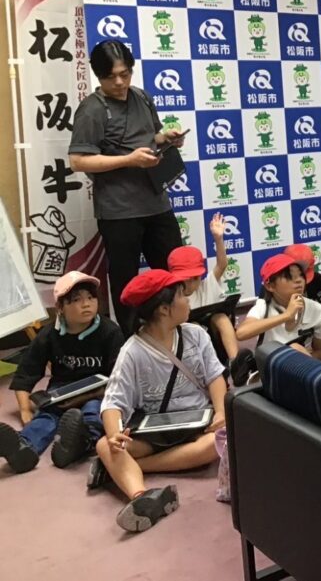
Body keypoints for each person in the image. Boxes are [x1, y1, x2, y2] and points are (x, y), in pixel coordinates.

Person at [69, 40, 187, 336]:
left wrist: (166, 138)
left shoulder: (142, 97)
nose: (120, 82)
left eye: (125, 74)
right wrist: (128, 160)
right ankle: (131, 341)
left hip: (156, 201)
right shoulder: (91, 110)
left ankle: (175, 332)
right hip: (119, 211)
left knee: (173, 271)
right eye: (111, 77)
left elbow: (151, 137)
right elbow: (78, 160)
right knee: (126, 281)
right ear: (98, 76)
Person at [95, 270, 226, 533]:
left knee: (218, 441)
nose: (188, 300)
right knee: (105, 445)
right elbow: (113, 402)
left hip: (199, 421)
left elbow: (215, 378)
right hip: (156, 427)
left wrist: (221, 412)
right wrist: (114, 434)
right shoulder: (132, 351)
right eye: (182, 296)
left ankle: (133, 468)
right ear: (164, 309)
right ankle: (141, 496)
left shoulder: (196, 334)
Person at [0, 272, 123, 474]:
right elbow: (26, 373)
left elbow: (119, 379)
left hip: (99, 391)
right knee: (46, 417)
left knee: (92, 413)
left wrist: (88, 396)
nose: (86, 304)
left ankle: (81, 443)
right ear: (60, 307)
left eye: (91, 298)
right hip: (62, 390)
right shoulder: (49, 334)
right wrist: (25, 410)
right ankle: (23, 448)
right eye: (76, 300)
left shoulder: (110, 331)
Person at [167, 214, 241, 379]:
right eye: (185, 278)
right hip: (187, 351)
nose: (190, 282)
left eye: (194, 278)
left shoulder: (206, 285)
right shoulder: (170, 296)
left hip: (215, 342)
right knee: (193, 326)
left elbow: (222, 265)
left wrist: (218, 239)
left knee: (221, 318)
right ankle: (207, 372)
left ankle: (237, 364)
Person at [236, 255, 321, 357]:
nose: (298, 280)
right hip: (271, 363)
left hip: (303, 364)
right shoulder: (263, 307)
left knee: (296, 349)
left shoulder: (316, 308)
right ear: (270, 286)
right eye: (289, 277)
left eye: (301, 275)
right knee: (294, 348)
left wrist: (302, 362)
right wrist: (286, 315)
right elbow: (241, 333)